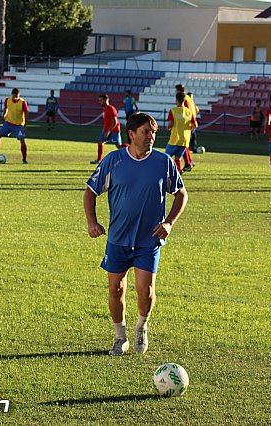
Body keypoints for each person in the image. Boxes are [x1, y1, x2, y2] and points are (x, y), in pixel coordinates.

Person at [84, 112, 188, 356]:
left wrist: (170, 223)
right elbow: (90, 192)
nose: (151, 136)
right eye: (146, 132)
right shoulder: (114, 160)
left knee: (146, 289)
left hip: (148, 240)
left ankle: (141, 327)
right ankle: (120, 337)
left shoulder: (163, 162)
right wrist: (92, 222)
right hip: (118, 239)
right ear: (131, 134)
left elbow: (181, 194)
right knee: (115, 289)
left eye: (153, 132)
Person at [0, 88, 29, 164]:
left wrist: (25, 125)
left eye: (17, 96)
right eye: (14, 96)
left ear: (19, 95)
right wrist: (4, 115)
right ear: (12, 94)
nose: (15, 98)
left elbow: (26, 113)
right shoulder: (7, 100)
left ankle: (24, 159)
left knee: (22, 141)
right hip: (8, 123)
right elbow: (6, 108)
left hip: (19, 125)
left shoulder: (23, 102)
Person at [91, 94, 128, 165]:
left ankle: (131, 147)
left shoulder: (111, 109)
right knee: (100, 142)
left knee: (119, 146)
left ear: (106, 100)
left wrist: (108, 131)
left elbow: (115, 121)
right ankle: (99, 160)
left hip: (114, 130)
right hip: (107, 130)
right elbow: (107, 121)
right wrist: (104, 130)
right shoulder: (105, 109)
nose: (100, 102)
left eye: (101, 100)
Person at [166, 92, 197, 173]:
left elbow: (171, 123)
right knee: (177, 158)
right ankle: (178, 172)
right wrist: (187, 129)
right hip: (185, 140)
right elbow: (195, 125)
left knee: (165, 158)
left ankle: (167, 173)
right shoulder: (189, 112)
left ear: (176, 100)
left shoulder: (173, 111)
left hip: (175, 139)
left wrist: (168, 127)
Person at [174, 84, 196, 170]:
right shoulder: (189, 98)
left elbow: (184, 111)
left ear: (178, 90)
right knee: (184, 144)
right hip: (192, 122)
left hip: (186, 124)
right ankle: (189, 162)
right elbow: (196, 109)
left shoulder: (183, 99)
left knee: (183, 144)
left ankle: (188, 163)